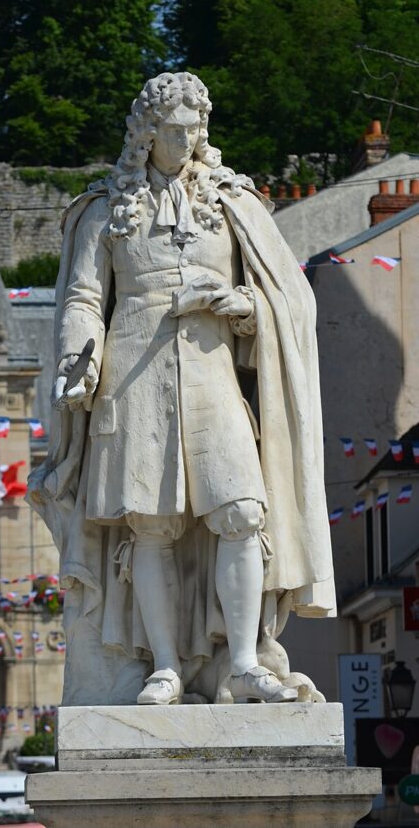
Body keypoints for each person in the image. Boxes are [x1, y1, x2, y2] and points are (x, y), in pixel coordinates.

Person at [27, 71, 335, 706]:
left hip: (212, 372)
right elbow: (83, 299)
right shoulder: (105, 212)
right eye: (174, 130)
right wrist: (78, 358)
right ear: (146, 135)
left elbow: (287, 299)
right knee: (151, 526)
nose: (188, 139)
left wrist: (236, 302)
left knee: (243, 513)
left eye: (196, 129)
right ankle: (164, 664)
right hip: (131, 377)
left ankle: (245, 662)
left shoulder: (233, 205)